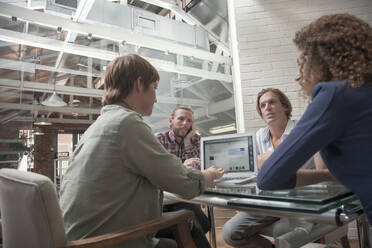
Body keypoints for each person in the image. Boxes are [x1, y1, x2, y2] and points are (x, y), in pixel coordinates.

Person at [59, 54, 225, 248]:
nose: (155, 98)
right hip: (105, 241)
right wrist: (210, 174)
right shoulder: (127, 123)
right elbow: (185, 184)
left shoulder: (99, 126)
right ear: (139, 84)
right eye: (154, 88)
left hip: (80, 238)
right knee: (186, 224)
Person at [257, 13, 372, 235]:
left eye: (302, 64)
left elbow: (268, 178)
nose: (298, 76)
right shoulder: (364, 90)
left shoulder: (334, 95)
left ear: (321, 61)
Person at [222, 88, 334, 248]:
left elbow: (264, 165)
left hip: (300, 201)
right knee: (230, 232)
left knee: (290, 240)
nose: (267, 107)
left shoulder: (302, 129)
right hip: (268, 201)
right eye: (262, 105)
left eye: (272, 102)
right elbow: (252, 166)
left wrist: (265, 161)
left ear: (285, 106)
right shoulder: (260, 135)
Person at [156, 107, 211, 237]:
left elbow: (199, 169)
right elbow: (158, 171)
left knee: (205, 224)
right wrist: (182, 166)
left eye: (189, 121)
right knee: (189, 227)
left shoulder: (196, 140)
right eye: (181, 119)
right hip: (164, 197)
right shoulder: (159, 140)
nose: (185, 123)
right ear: (171, 121)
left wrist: (188, 143)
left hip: (185, 196)